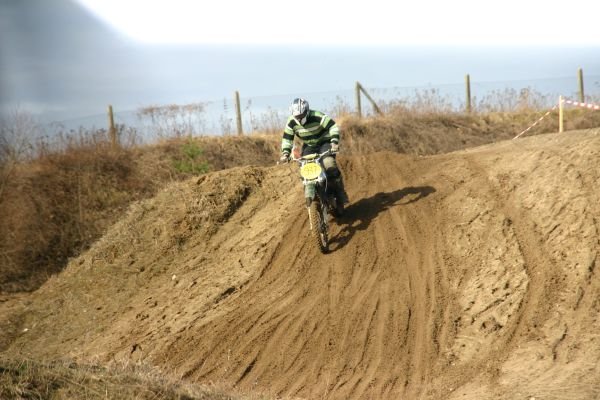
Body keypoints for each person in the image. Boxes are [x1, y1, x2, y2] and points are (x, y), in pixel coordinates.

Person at [280, 98, 349, 204]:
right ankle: (314, 192)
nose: (299, 118)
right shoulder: (291, 122)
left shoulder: (317, 116)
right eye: (297, 116)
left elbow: (333, 126)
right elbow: (287, 138)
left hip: (325, 142)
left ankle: (340, 192)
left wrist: (334, 142)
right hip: (309, 145)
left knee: (328, 163)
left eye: (301, 115)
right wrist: (285, 153)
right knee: (304, 167)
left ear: (307, 111)